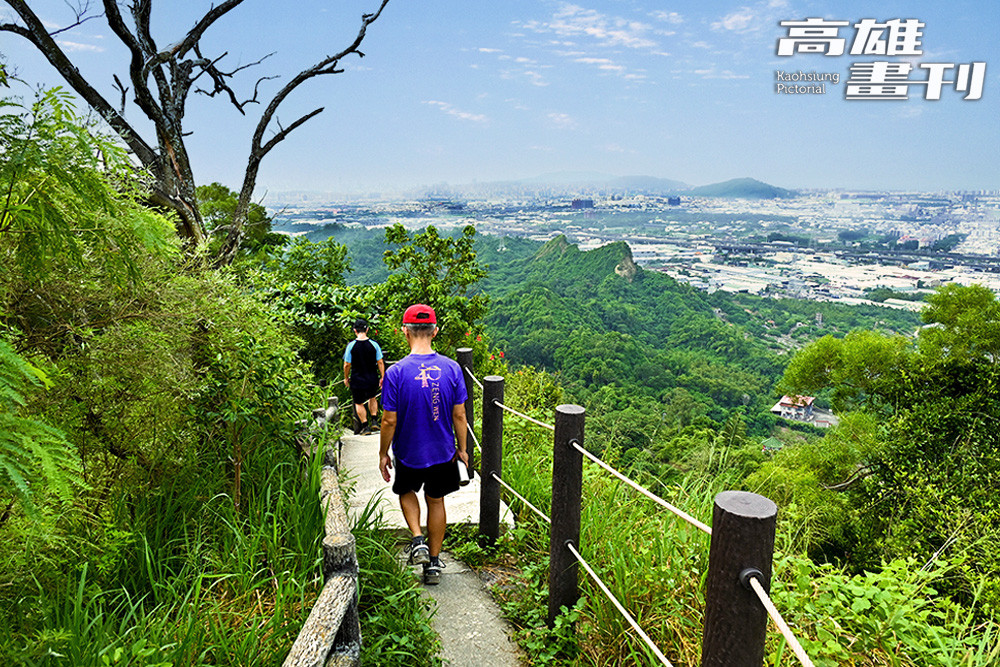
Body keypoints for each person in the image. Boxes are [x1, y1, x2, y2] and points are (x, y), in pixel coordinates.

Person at [379, 304, 469, 585]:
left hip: (408, 451)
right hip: (442, 450)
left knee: (406, 490)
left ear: (405, 331)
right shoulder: (452, 368)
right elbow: (459, 414)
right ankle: (433, 564)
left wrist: (383, 453)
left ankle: (417, 537)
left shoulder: (396, 373)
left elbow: (388, 421)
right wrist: (463, 450)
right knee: (436, 500)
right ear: (435, 331)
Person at [343, 318, 384, 435]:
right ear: (367, 329)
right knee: (372, 397)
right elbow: (380, 362)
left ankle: (366, 426)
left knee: (358, 402)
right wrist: (382, 376)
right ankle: (375, 421)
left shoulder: (351, 346)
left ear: (355, 330)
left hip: (357, 378)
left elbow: (347, 364)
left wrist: (346, 377)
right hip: (372, 376)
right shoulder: (374, 344)